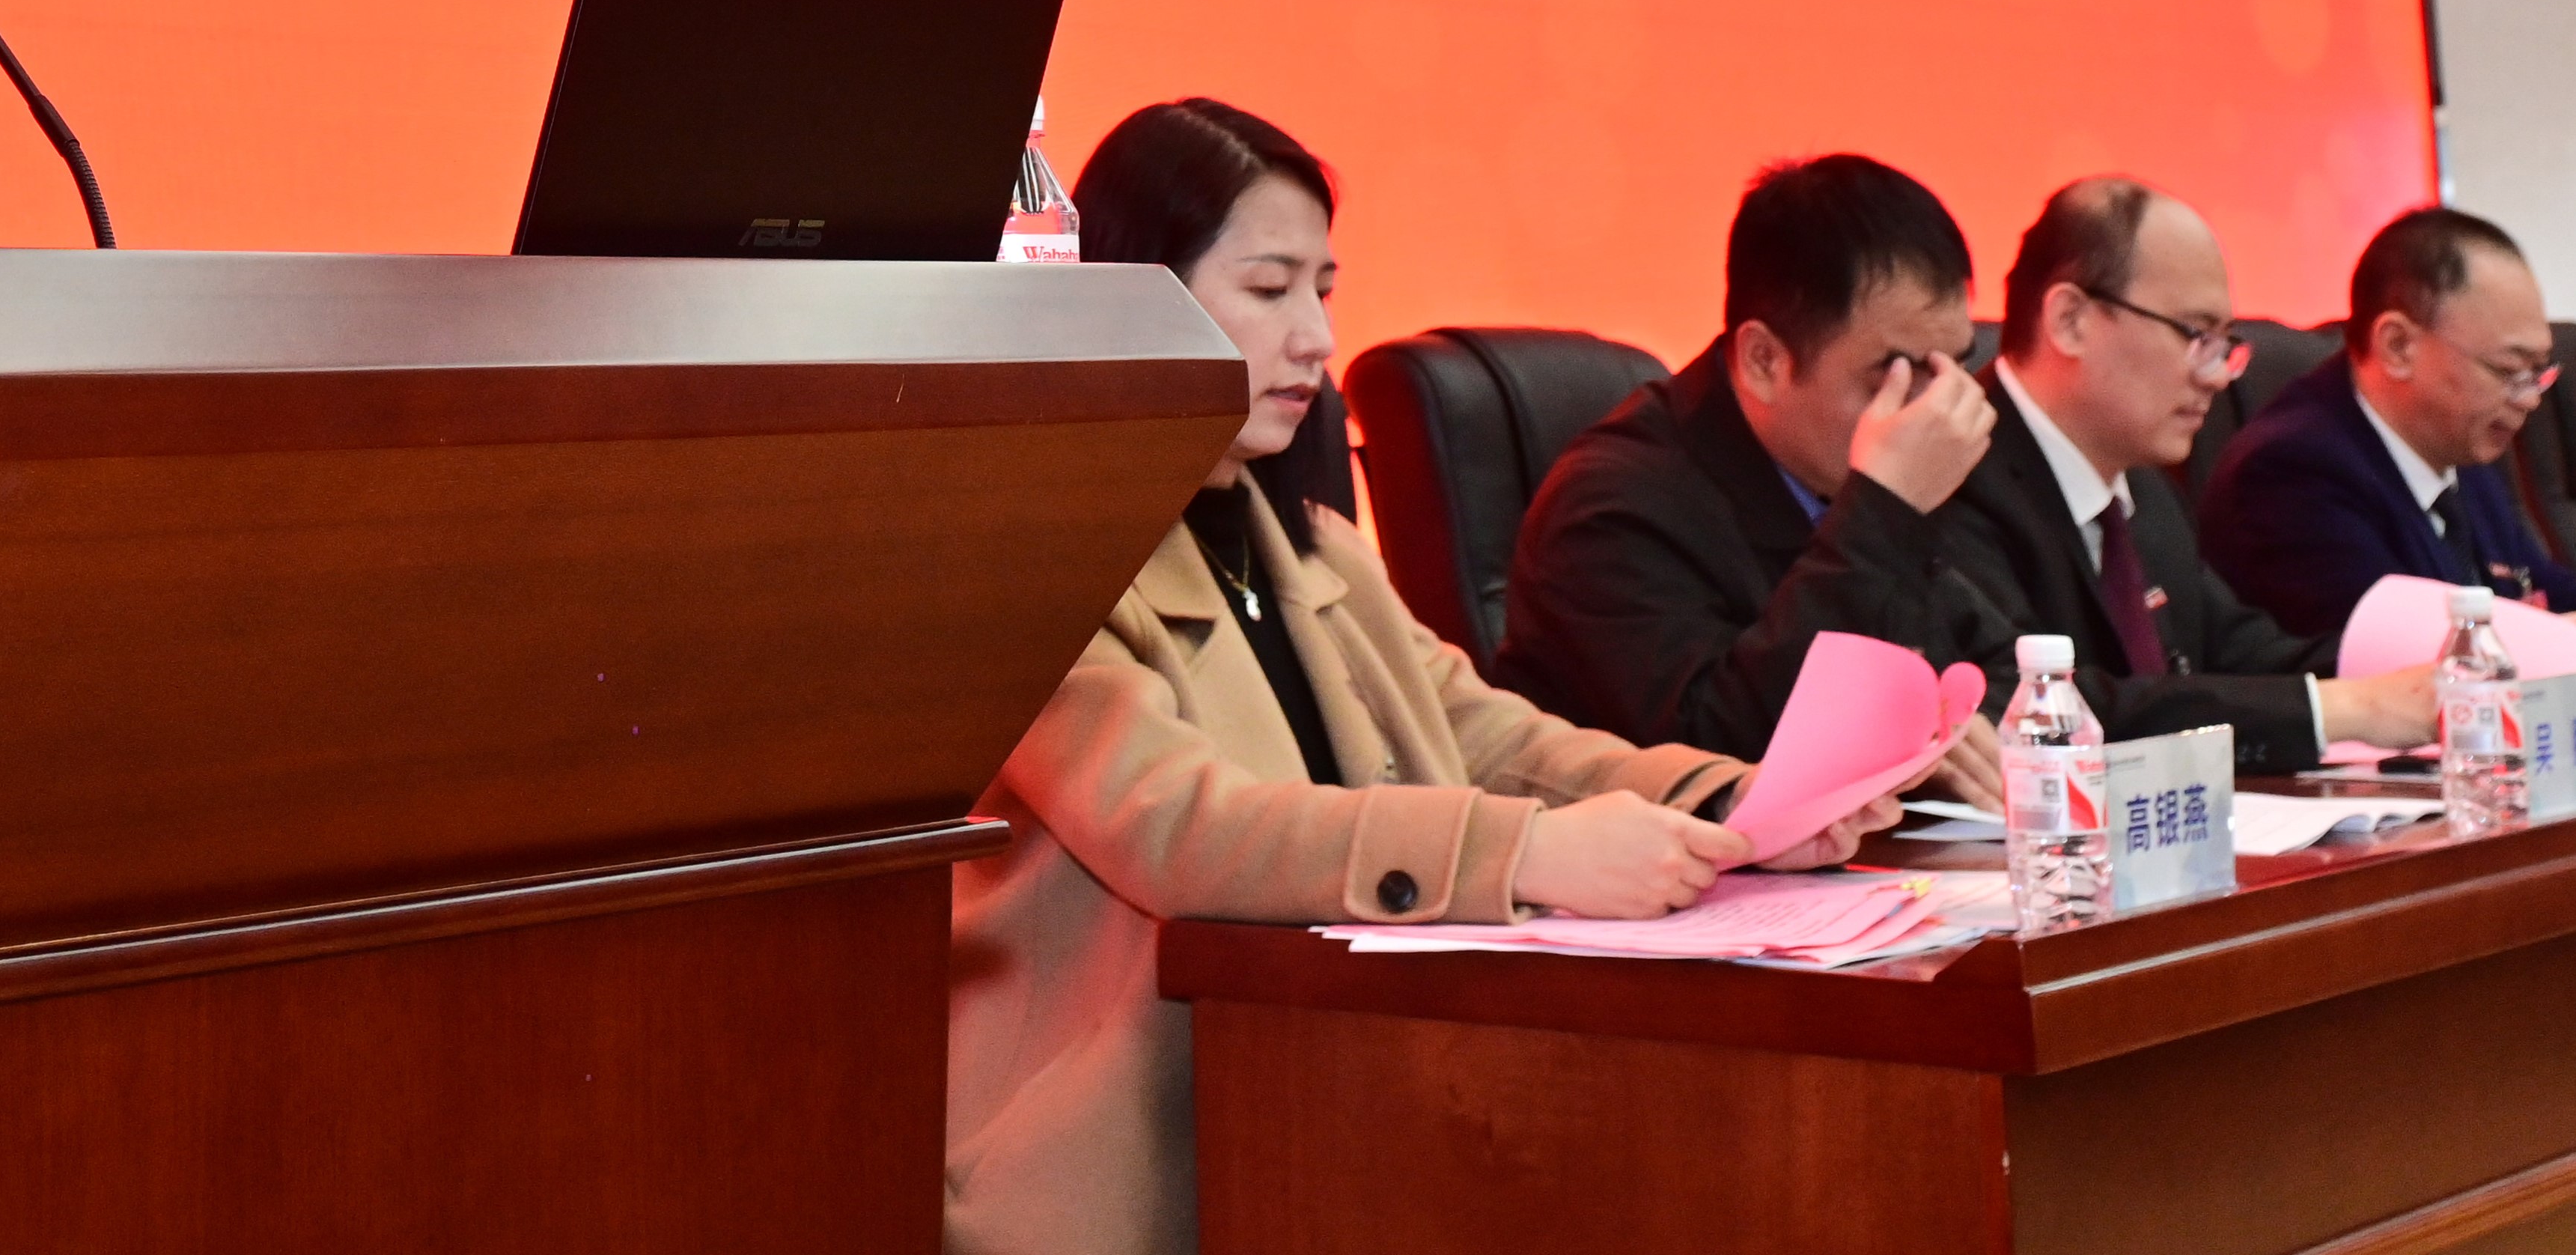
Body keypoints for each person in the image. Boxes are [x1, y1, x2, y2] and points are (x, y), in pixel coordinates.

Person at [946, 101, 1870, 1255]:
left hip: (1348, 1091)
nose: (1316, 337)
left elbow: (1492, 737)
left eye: (1323, 289)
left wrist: (1730, 802)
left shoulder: (1312, 546)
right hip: (1125, 1151)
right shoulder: (1033, 567)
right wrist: (1522, 855)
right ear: (1134, 295)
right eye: (1269, 288)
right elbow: (1180, 826)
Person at [1496, 156, 2012, 801]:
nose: (1935, 407)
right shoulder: (1608, 508)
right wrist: (1881, 509)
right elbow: (1721, 755)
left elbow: (2003, 664)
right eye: (1898, 374)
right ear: (1764, 359)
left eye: (1953, 366)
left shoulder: (1868, 461)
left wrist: (1953, 727)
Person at [1939, 176, 2439, 778]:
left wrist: (2432, 669)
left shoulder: (2143, 488)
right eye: (2196, 335)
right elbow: (2043, 710)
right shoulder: (1951, 473)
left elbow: (2243, 657)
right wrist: (2343, 709)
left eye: (2224, 343)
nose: (2218, 375)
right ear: (2070, 319)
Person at [2201, 206, 2575, 639]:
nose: (2530, 399)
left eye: (2537, 371)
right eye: (2508, 370)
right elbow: (2400, 655)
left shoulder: (2455, 441)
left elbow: (2542, 590)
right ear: (2398, 346)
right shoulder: (2289, 475)